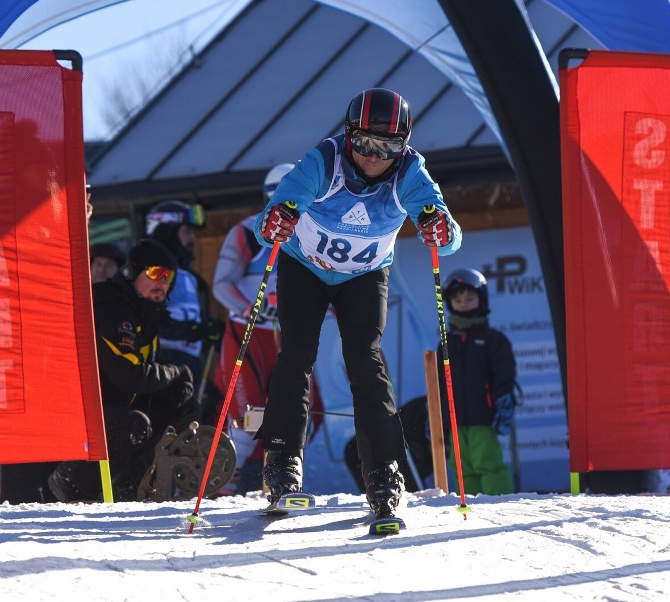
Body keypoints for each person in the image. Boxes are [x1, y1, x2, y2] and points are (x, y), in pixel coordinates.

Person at [253, 87, 461, 518]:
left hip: (364, 276)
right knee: (296, 354)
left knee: (365, 360)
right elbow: (269, 219)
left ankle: (384, 468)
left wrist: (440, 228)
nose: (373, 155)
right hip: (304, 268)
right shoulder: (322, 162)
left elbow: (446, 227)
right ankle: (282, 461)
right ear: (349, 136)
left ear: (403, 146)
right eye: (364, 142)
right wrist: (277, 221)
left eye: (387, 146)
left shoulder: (409, 172)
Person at [48, 238, 199, 502]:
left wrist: (177, 379)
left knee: (181, 399)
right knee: (134, 424)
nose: (162, 282)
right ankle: (72, 480)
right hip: (77, 410)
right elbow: (129, 375)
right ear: (132, 273)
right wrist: (177, 372)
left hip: (112, 404)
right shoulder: (113, 309)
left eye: (168, 276)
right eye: (154, 273)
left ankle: (136, 484)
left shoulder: (145, 314)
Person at [212, 163, 295, 494]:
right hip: (248, 333)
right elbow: (220, 285)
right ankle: (226, 482)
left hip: (286, 335)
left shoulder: (313, 234)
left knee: (299, 412)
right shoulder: (248, 231)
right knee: (250, 415)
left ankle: (278, 476)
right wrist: (250, 308)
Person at [437, 268, 516, 495]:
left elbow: (504, 376)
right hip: (455, 420)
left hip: (484, 417)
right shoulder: (446, 343)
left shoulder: (492, 340)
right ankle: (470, 509)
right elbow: (440, 385)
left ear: (481, 300)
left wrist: (503, 404)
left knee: (487, 462)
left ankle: (499, 505)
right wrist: (439, 418)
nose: (464, 304)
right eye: (458, 299)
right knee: (462, 468)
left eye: (470, 299)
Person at [145, 200, 223, 409]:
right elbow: (150, 316)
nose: (192, 239)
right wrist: (191, 331)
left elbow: (185, 315)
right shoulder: (154, 270)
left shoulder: (188, 276)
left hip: (189, 361)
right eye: (187, 231)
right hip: (165, 361)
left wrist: (208, 331)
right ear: (168, 230)